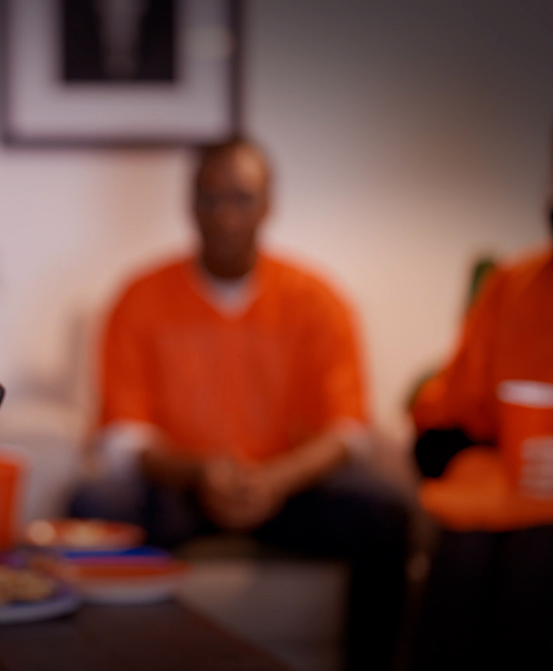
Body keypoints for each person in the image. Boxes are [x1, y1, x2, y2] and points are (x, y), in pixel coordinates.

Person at [71, 139, 409, 671]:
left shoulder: (316, 298)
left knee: (386, 513)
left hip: (290, 487)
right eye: (210, 199)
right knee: (94, 502)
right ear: (190, 204)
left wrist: (277, 478)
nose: (225, 216)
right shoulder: (139, 296)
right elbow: (123, 437)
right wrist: (203, 470)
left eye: (241, 199)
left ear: (269, 204)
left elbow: (349, 430)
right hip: (183, 486)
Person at [410, 155, 553, 670]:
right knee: (463, 556)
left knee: (535, 563)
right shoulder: (511, 285)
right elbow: (447, 415)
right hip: (503, 486)